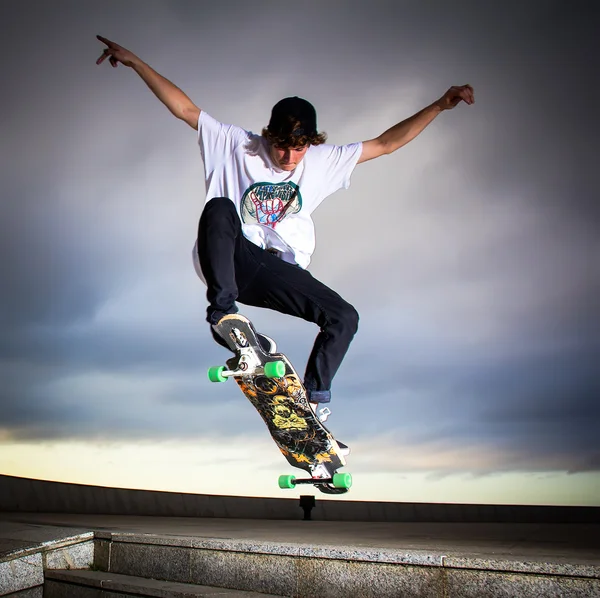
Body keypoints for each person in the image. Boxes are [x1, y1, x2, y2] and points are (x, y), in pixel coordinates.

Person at [96, 35, 474, 419]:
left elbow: (387, 143)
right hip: (232, 258)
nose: (290, 157)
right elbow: (184, 108)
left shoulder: (324, 161)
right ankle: (224, 316)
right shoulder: (234, 143)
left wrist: (440, 106)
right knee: (220, 207)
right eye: (281, 147)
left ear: (310, 142)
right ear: (268, 135)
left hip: (277, 271)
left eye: (299, 148)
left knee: (345, 317)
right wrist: (135, 62)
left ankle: (313, 402)